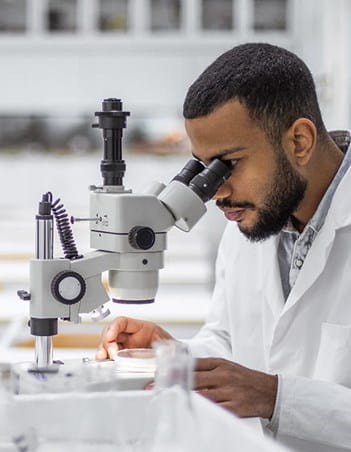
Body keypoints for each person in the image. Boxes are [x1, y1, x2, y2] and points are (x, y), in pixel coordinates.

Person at [96, 43, 351, 452]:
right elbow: (231, 342)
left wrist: (276, 398)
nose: (217, 192)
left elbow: (267, 386)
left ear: (299, 141)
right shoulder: (250, 219)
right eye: (204, 167)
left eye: (227, 164)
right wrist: (176, 355)